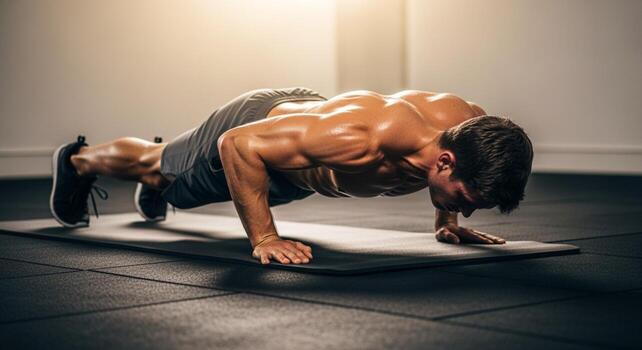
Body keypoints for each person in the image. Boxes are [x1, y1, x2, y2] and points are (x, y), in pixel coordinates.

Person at [50, 87, 533, 265]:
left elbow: (462, 170)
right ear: (444, 163)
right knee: (158, 169)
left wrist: (446, 224)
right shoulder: (360, 136)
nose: (466, 206)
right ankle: (78, 160)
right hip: (252, 132)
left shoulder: (468, 126)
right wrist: (263, 239)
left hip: (295, 166)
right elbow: (238, 146)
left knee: (174, 186)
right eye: (465, 198)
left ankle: (162, 184)